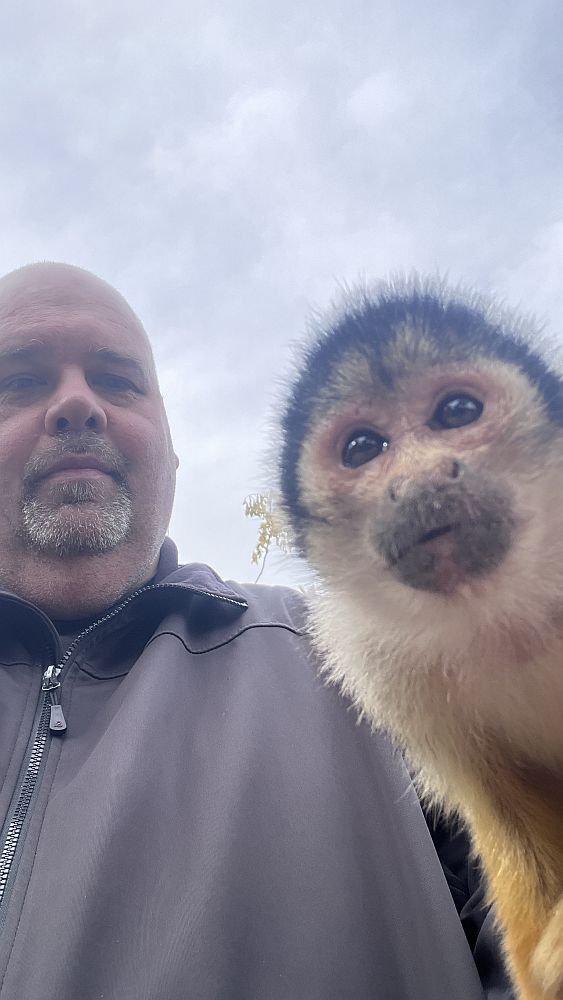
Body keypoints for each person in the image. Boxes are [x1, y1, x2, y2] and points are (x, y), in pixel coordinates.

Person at [0, 262, 513, 1000]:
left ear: (169, 451)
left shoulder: (371, 660)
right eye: (21, 380)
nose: (77, 403)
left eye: (116, 381)